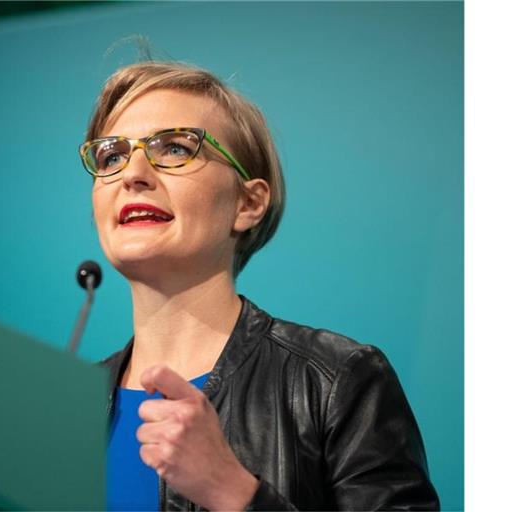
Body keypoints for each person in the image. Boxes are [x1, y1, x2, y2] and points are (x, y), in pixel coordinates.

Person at [80, 61, 439, 511]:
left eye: (173, 148)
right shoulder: (67, 408)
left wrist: (234, 493)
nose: (132, 174)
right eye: (112, 156)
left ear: (248, 204)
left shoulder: (335, 382)